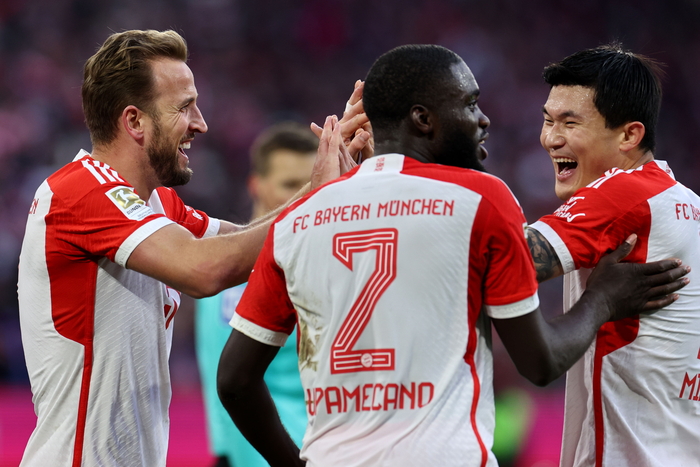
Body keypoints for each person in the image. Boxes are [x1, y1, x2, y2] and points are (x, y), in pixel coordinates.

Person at [215, 44, 688, 467]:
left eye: (569, 122)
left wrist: (367, 188)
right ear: (424, 120)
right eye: (470, 104)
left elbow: (233, 380)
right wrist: (601, 300)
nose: (485, 120)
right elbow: (533, 346)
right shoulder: (483, 201)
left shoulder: (297, 222)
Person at [15, 29, 356, 467]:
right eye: (184, 107)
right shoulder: (81, 191)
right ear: (134, 121)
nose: (201, 123)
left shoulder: (156, 204)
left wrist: (332, 180)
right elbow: (207, 269)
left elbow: (245, 241)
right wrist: (320, 195)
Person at [525, 44, 700, 467]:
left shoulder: (626, 192)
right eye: (548, 120)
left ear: (628, 136)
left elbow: (506, 260)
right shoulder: (688, 204)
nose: (551, 138)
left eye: (570, 123)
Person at [195, 121, 317, 467]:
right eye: (291, 185)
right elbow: (228, 385)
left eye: (314, 184)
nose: (307, 197)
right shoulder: (224, 274)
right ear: (256, 186)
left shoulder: (314, 266)